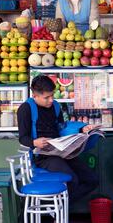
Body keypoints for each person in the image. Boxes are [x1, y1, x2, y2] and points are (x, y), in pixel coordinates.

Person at [17, 75, 99, 206]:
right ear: (35, 95)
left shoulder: (55, 106)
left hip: (62, 153)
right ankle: (58, 213)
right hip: (43, 157)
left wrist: (81, 130)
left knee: (92, 180)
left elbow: (62, 128)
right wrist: (35, 142)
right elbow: (22, 138)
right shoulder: (25, 109)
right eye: (46, 97)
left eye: (52, 96)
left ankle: (60, 209)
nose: (51, 100)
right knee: (72, 180)